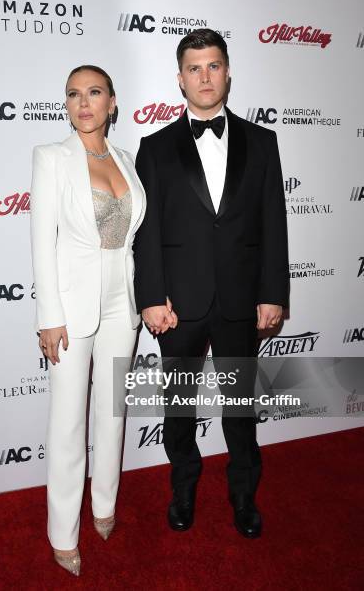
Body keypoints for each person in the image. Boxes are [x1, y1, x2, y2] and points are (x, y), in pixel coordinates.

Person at [133, 29, 289, 539]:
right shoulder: (153, 148)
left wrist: (273, 293)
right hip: (178, 305)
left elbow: (273, 221)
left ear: (228, 72)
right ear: (180, 79)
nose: (205, 76)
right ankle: (183, 490)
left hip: (243, 301)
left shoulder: (262, 142)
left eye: (214, 66)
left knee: (241, 410)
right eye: (194, 68)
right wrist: (151, 297)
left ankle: (244, 496)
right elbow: (146, 231)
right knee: (179, 409)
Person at [30, 65, 146, 576]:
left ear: (112, 103)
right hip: (71, 308)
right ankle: (62, 532)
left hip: (125, 302)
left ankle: (104, 505)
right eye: (74, 94)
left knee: (113, 412)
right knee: (68, 421)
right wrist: (48, 316)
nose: (83, 103)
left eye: (94, 92)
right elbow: (41, 243)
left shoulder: (127, 158)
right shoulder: (51, 158)